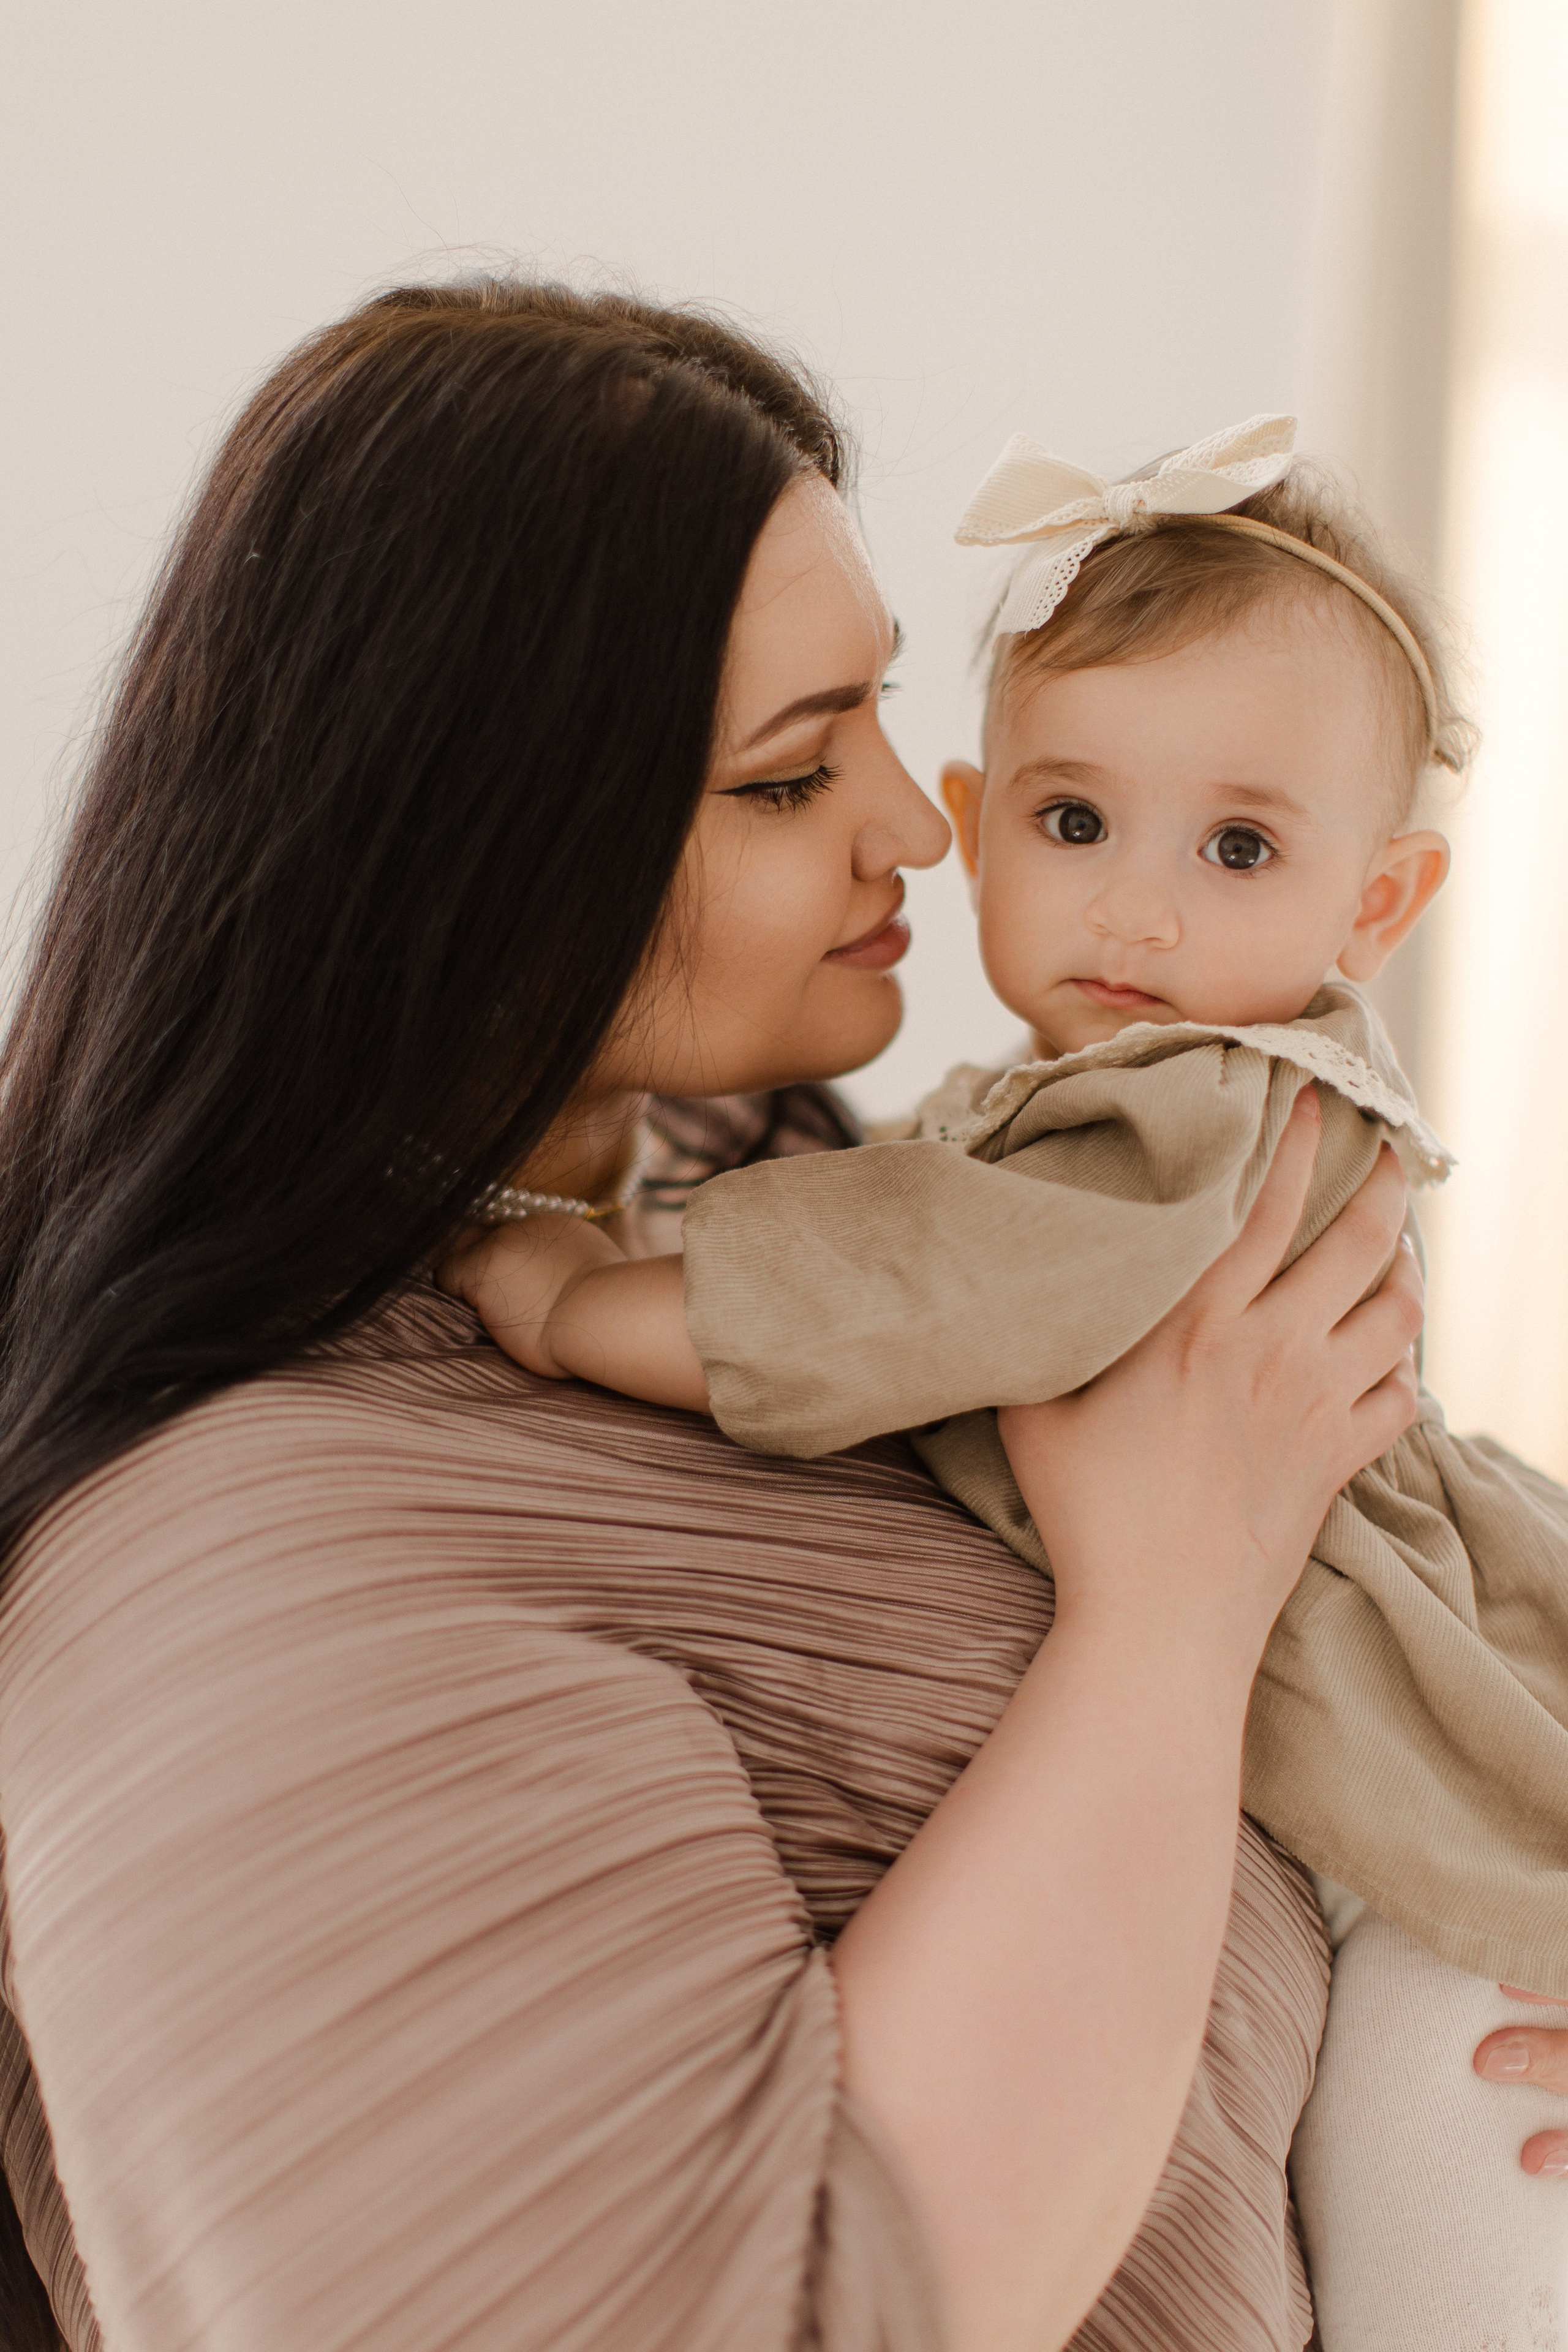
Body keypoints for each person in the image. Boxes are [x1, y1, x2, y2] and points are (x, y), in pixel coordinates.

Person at [0, 276, 1477, 2352]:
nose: (913, 820)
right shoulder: (262, 1562)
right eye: (791, 778)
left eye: (880, 708)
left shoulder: (784, 1222)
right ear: (492, 864)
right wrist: (1170, 1614)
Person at [446, 413, 1568, 2349]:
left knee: (1449, 2271)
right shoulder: (1064, 1110)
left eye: (1236, 847)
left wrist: (574, 1303)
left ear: (1377, 906)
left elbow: (918, 1284)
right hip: (1369, 1827)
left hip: (1432, 1885)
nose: (1137, 906)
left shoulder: (1203, 1114)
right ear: (977, 820)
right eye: (1073, 825)